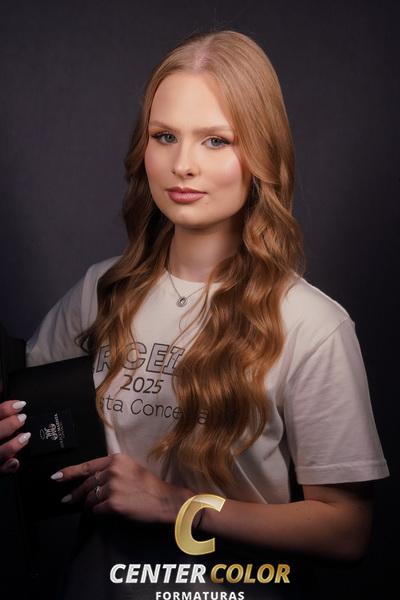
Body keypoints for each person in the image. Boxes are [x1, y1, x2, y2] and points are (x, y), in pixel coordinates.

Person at [0, 29, 389, 599]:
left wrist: (179, 505)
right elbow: (26, 419)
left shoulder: (312, 324)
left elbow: (346, 531)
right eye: (165, 136)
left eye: (215, 140)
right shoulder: (101, 291)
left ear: (261, 154)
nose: (182, 164)